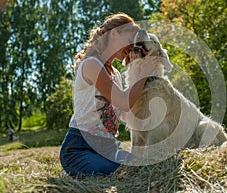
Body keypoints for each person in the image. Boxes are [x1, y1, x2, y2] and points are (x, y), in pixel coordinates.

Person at [59, 12, 159, 178]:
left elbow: (125, 114)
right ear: (114, 34)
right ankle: (72, 168)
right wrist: (143, 74)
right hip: (80, 148)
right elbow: (123, 102)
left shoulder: (116, 75)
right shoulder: (92, 65)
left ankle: (85, 170)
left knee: (141, 167)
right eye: (129, 40)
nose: (131, 48)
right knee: (121, 173)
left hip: (108, 148)